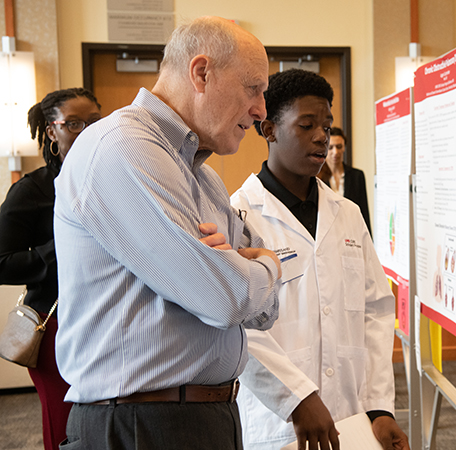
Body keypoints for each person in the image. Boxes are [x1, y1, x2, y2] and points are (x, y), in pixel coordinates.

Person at [53, 17, 282, 449]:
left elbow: (264, 313)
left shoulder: (204, 178)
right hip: (141, 424)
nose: (261, 110)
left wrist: (237, 272)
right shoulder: (123, 148)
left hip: (201, 418)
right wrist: (267, 264)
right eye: (253, 88)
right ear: (202, 73)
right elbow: (227, 299)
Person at [231, 69, 409, 450]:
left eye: (326, 127)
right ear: (269, 130)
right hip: (277, 426)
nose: (321, 137)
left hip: (351, 419)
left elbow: (376, 312)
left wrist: (379, 409)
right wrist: (296, 397)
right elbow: (239, 327)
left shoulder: (347, 214)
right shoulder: (240, 216)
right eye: (306, 125)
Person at [0, 88, 101, 450]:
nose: (86, 131)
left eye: (94, 122)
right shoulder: (33, 190)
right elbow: (2, 263)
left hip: (103, 323)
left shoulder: (109, 179)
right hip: (54, 326)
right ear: (51, 131)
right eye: (73, 123)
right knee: (64, 430)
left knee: (100, 429)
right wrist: (63, 248)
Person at [317, 127, 371, 234]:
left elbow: (363, 212)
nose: (335, 152)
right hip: (327, 234)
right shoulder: (316, 177)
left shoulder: (357, 176)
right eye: (330, 147)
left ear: (344, 148)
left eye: (339, 146)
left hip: (352, 232)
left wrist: (368, 238)